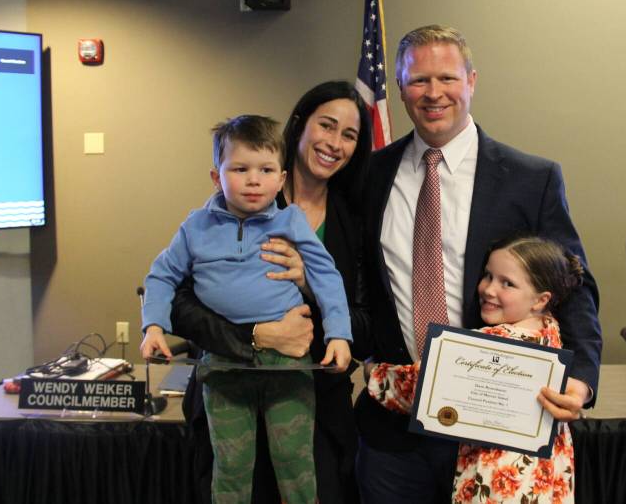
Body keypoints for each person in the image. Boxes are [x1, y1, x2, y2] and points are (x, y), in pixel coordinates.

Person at [355, 25, 603, 503]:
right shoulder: (369, 175)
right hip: (393, 433)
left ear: (471, 81)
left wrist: (583, 380)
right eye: (418, 80)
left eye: (446, 78)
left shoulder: (531, 179)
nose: (433, 94)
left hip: (495, 431)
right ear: (401, 90)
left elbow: (574, 285)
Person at [169, 81, 373, 504]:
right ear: (299, 126)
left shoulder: (358, 221)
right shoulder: (240, 195)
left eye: (349, 135)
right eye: (326, 126)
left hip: (312, 406)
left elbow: (368, 325)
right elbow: (180, 305)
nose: (334, 143)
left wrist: (307, 286)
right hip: (228, 390)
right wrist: (256, 336)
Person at [367, 235, 583, 503]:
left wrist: (373, 372)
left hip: (496, 481)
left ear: (540, 300)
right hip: (544, 479)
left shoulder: (490, 343)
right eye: (488, 276)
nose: (489, 289)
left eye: (507, 283)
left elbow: (420, 388)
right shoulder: (550, 330)